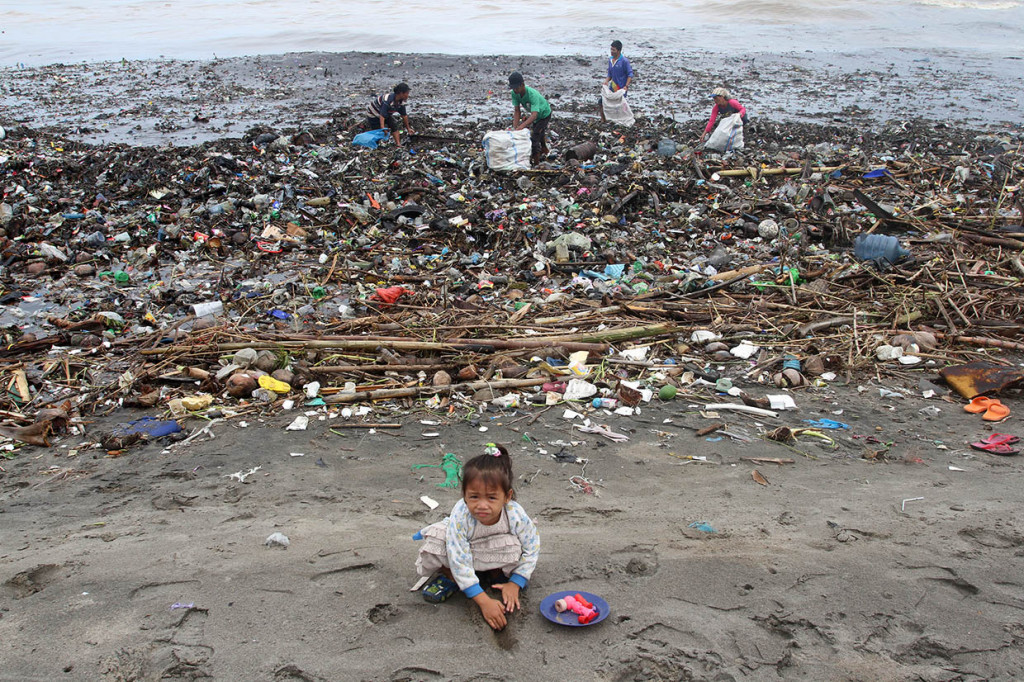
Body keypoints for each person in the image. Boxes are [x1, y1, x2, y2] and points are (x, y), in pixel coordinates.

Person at [414, 444, 540, 631]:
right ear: (464, 495)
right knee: (439, 542)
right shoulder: (461, 514)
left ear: (507, 497)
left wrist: (516, 582)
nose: (481, 505)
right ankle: (452, 578)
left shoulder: (514, 513)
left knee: (515, 546)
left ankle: (494, 573)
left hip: (490, 549)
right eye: (474, 496)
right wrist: (483, 601)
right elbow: (458, 558)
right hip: (463, 553)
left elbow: (532, 547)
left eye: (491, 498)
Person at [508, 72, 552, 166]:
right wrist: (515, 127)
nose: (515, 90)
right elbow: (517, 111)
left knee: (535, 138)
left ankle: (536, 163)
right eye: (513, 88)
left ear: (522, 84)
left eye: (516, 88)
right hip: (535, 115)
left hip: (544, 114)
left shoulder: (532, 94)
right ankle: (544, 148)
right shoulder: (514, 93)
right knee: (539, 132)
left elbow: (534, 115)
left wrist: (522, 126)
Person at [600, 39, 633, 122]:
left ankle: (621, 121)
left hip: (621, 88)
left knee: (619, 107)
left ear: (618, 51)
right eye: (611, 49)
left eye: (613, 50)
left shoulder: (624, 61)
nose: (611, 51)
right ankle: (604, 120)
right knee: (601, 102)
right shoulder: (610, 60)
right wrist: (606, 81)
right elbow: (610, 74)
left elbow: (630, 74)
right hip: (613, 87)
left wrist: (626, 86)